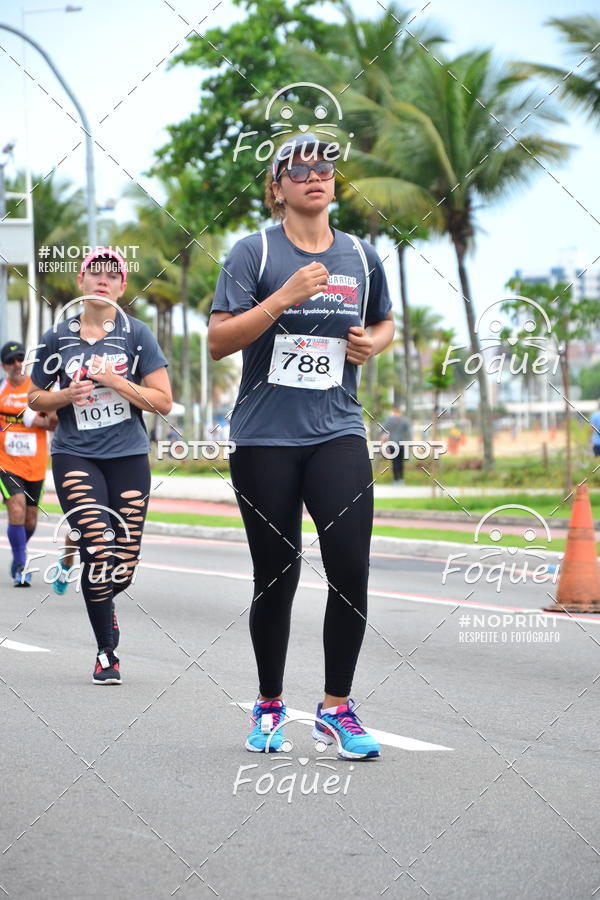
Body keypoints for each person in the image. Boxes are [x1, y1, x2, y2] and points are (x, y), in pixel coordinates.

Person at [208, 134, 395, 759]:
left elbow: (384, 321)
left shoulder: (362, 256)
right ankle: (268, 704)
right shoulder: (253, 251)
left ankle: (337, 708)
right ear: (278, 186)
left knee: (350, 568)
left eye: (325, 167)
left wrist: (375, 341)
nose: (316, 175)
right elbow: (218, 340)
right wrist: (284, 297)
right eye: (300, 168)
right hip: (265, 437)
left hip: (338, 429)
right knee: (277, 573)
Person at [28, 247, 172, 683]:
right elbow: (33, 398)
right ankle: (106, 653)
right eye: (96, 273)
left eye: (113, 274)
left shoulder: (137, 335)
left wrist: (116, 381)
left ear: (123, 287)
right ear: (81, 282)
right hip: (75, 453)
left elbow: (163, 401)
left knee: (122, 566)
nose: (104, 280)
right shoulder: (57, 338)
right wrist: (64, 397)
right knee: (97, 547)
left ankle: (107, 604)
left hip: (128, 456)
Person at [0, 340, 57, 586]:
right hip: (6, 464)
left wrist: (37, 419)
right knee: (16, 507)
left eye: (20, 358)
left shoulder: (38, 389)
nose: (17, 364)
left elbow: (54, 423)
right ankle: (22, 564)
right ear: (3, 365)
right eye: (11, 361)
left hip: (35, 465)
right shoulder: (0, 390)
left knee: (30, 519)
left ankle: (18, 552)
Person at [380, 406, 411, 484]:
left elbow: (383, 430)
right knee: (401, 462)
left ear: (393, 411)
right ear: (399, 412)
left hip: (392, 443)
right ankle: (401, 479)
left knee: (395, 462)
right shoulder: (404, 420)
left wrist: (383, 443)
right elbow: (408, 434)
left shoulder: (389, 420)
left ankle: (395, 479)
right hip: (402, 444)